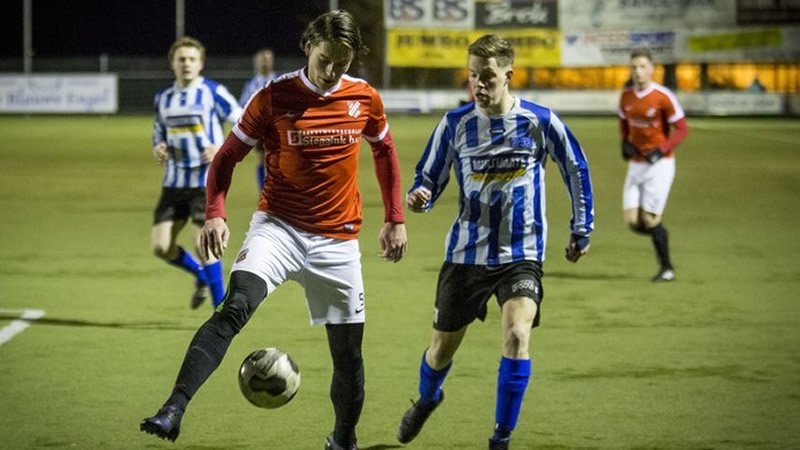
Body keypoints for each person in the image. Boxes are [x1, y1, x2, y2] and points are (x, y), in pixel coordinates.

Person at [140, 10, 408, 450]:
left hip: (338, 239)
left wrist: (394, 218)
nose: (333, 70)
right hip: (277, 229)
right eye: (326, 59)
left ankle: (343, 439)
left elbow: (385, 153)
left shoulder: (364, 97)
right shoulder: (273, 96)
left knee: (348, 354)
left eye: (343, 61)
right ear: (308, 47)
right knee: (235, 307)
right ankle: (173, 409)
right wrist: (215, 213)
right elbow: (226, 158)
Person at [397, 34, 594, 450]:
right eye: (472, 77)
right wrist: (421, 197)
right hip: (465, 255)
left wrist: (582, 227)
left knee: (518, 335)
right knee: (440, 352)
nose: (478, 86)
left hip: (521, 254)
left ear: (509, 75)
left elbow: (575, 166)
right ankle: (428, 399)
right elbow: (427, 178)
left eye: (486, 77)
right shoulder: (455, 125)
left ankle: (500, 439)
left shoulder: (540, 121)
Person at [150, 36, 242, 309]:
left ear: (200, 64)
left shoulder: (213, 92)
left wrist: (222, 147)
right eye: (181, 59)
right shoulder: (163, 99)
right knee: (161, 247)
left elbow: (242, 121)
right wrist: (159, 147)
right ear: (172, 64)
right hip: (174, 182)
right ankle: (201, 277)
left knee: (204, 246)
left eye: (192, 59)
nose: (186, 64)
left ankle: (221, 315)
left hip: (205, 182)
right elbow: (158, 131)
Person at [619, 48, 688, 282]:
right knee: (632, 221)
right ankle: (660, 232)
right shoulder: (626, 97)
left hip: (660, 166)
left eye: (642, 67)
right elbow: (623, 122)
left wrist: (662, 149)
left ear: (651, 70)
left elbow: (681, 128)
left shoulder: (662, 96)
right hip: (636, 165)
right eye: (634, 67)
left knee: (648, 219)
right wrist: (624, 143)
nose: (638, 71)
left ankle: (667, 269)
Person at [239, 48, 279, 190]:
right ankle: (264, 190)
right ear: (256, 62)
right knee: (263, 159)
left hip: (279, 127)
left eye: (268, 59)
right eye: (262, 59)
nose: (265, 62)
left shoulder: (279, 81)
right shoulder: (251, 85)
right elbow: (243, 107)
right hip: (261, 129)